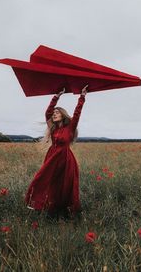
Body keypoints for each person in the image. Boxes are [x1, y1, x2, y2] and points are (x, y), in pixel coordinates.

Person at [24, 85, 88, 220]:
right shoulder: (53, 128)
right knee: (44, 180)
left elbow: (77, 113)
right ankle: (43, 206)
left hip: (65, 159)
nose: (54, 114)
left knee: (65, 185)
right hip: (52, 157)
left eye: (57, 112)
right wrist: (56, 97)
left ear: (63, 115)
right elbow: (47, 113)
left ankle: (65, 211)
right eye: (54, 113)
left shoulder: (70, 127)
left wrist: (82, 96)